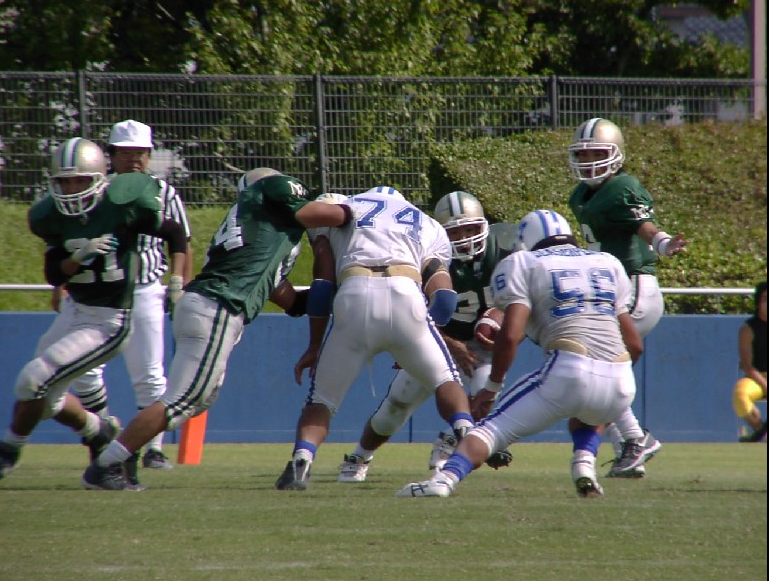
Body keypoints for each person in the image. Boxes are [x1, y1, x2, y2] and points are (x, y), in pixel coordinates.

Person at [81, 167, 353, 490]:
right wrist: (356, 210)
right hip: (218, 307)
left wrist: (342, 292)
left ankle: (126, 452)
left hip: (205, 305)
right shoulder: (273, 189)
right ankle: (107, 463)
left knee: (197, 400)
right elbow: (331, 215)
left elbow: (291, 301)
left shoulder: (261, 237)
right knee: (182, 400)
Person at [0, 138, 188, 483]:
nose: (72, 188)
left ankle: (8, 451)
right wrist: (77, 257)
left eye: (81, 180)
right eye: (65, 181)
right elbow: (54, 273)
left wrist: (176, 280)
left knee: (33, 379)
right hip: (76, 309)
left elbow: (175, 233)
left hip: (109, 319)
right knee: (45, 398)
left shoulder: (120, 206)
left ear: (99, 179)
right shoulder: (51, 215)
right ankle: (98, 430)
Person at [396, 209, 643, 499]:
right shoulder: (607, 262)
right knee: (592, 410)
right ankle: (584, 468)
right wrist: (611, 376)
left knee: (490, 431)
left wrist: (492, 387)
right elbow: (635, 344)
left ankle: (443, 481)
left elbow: (511, 335)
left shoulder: (524, 262)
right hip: (622, 377)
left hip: (570, 366)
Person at [275, 185, 475, 491]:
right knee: (446, 380)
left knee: (321, 400)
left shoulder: (345, 208)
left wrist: (314, 346)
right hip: (407, 294)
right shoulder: (428, 223)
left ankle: (301, 461)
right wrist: (419, 339)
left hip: (354, 294)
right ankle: (466, 433)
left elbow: (323, 288)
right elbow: (445, 299)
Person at [335, 191, 516, 483]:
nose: (465, 239)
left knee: (485, 399)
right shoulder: (425, 256)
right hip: (432, 340)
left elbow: (523, 301)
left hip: (480, 348)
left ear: (484, 225)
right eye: (455, 232)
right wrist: (451, 345)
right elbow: (411, 312)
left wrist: (499, 314)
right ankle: (359, 456)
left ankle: (448, 441)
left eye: (470, 229)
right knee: (396, 405)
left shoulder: (507, 250)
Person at [52, 120, 194, 489]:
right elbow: (68, 237)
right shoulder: (95, 189)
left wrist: (180, 285)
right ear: (111, 155)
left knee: (149, 373)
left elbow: (182, 241)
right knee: (85, 372)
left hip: (145, 288)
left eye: (141, 152)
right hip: (98, 294)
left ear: (149, 155)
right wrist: (62, 282)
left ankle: (151, 449)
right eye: (126, 152)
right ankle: (103, 437)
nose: (134, 159)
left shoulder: (164, 191)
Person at [567, 117, 688, 477]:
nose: (588, 160)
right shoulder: (579, 195)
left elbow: (643, 226)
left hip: (633, 288)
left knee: (596, 369)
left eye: (596, 153)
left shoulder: (623, 187)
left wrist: (662, 243)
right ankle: (628, 447)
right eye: (583, 153)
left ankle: (635, 440)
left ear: (615, 154)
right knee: (592, 372)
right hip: (611, 291)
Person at [734, 281, 767, 442]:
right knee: (740, 395)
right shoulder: (748, 329)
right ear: (758, 303)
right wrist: (765, 385)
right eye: (765, 299)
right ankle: (762, 432)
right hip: (757, 378)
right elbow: (748, 366)